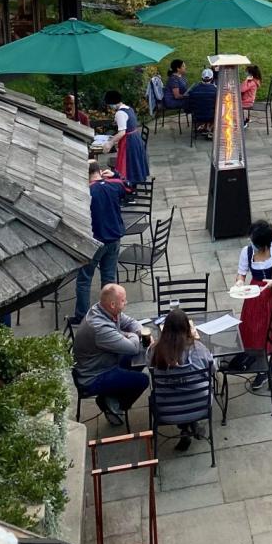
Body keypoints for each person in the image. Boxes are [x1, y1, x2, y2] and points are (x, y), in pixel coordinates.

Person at [73, 283, 149, 427]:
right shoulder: (99, 327)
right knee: (143, 381)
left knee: (142, 356)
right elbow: (133, 347)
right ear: (113, 304)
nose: (126, 303)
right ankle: (112, 405)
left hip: (105, 360)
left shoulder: (105, 309)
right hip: (93, 377)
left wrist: (134, 332)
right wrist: (131, 334)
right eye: (123, 300)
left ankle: (112, 395)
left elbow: (132, 322)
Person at [232, 220, 272, 388]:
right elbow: (242, 273)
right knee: (255, 329)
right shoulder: (247, 251)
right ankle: (262, 366)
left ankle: (269, 361)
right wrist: (239, 282)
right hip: (256, 295)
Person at [147, 307, 214, 451]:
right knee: (194, 388)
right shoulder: (198, 349)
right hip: (200, 405)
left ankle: (186, 428)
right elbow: (212, 369)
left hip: (166, 410)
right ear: (187, 328)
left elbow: (149, 367)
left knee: (172, 392)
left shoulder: (154, 351)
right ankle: (191, 425)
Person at [75, 164, 130, 320]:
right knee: (108, 279)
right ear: (100, 172)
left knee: (84, 279)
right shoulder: (114, 185)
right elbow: (129, 187)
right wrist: (116, 174)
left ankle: (82, 316)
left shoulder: (87, 191)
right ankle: (109, 313)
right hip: (114, 238)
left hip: (94, 242)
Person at [105, 89, 150, 184]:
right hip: (136, 138)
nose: (110, 107)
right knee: (134, 163)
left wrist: (110, 142)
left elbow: (122, 133)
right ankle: (133, 182)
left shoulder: (120, 113)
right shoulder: (128, 108)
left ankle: (128, 185)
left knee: (128, 164)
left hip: (129, 141)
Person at [186, 68, 218, 136]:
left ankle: (203, 127)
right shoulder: (216, 91)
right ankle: (210, 129)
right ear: (212, 78)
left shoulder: (194, 89)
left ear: (201, 78)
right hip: (211, 117)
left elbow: (188, 107)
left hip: (197, 117)